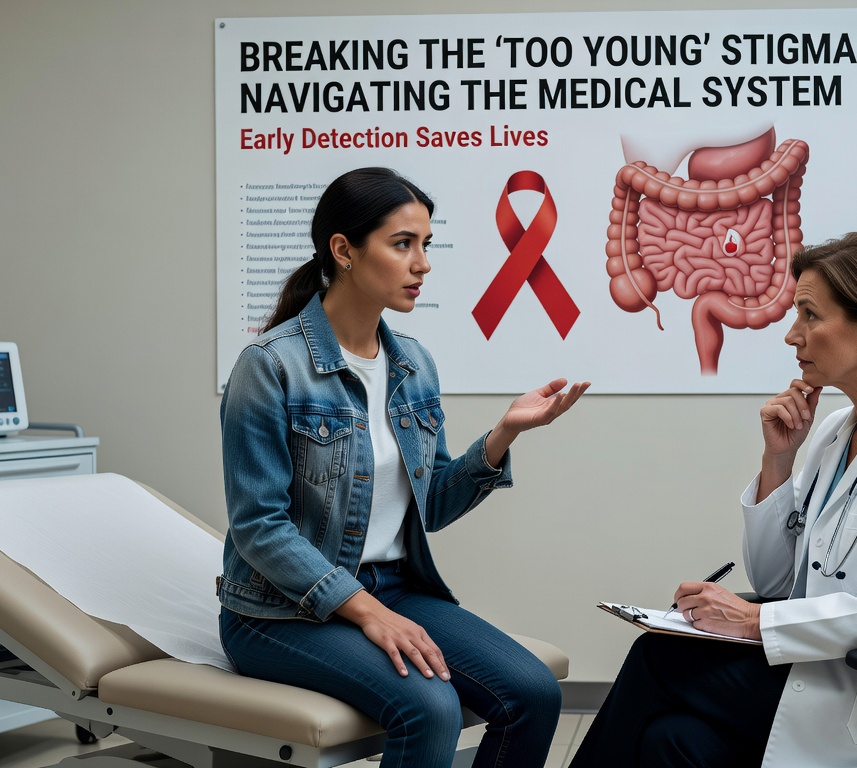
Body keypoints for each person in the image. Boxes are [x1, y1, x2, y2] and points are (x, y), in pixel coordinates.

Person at [570, 232, 857, 768]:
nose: (791, 335)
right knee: (673, 739)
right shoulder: (835, 434)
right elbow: (778, 582)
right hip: (832, 672)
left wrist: (752, 622)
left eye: (809, 315)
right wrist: (777, 461)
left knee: (659, 657)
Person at [218, 167, 589, 768]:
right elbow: (259, 527)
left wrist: (504, 433)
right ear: (344, 250)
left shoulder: (413, 363)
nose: (423, 264)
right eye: (403, 244)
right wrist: (368, 613)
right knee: (431, 707)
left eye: (426, 244)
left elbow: (432, 505)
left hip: (394, 587)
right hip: (277, 611)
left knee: (534, 693)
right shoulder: (269, 365)